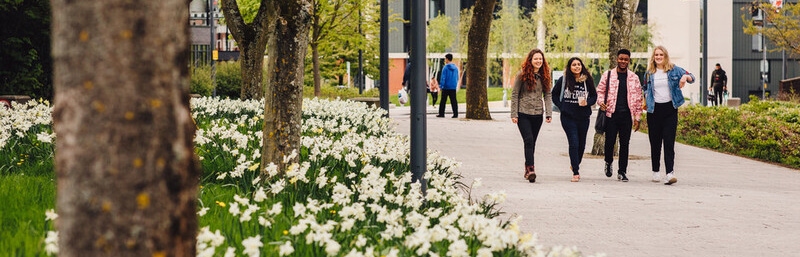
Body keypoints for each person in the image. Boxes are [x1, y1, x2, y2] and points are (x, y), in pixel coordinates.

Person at [642, 45, 695, 185]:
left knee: (669, 142)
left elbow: (692, 77)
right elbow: (645, 87)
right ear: (653, 57)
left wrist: (684, 77)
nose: (658, 57)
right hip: (654, 110)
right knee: (655, 142)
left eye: (661, 55)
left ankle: (670, 173)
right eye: (656, 55)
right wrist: (646, 94)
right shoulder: (649, 73)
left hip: (670, 110)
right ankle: (655, 171)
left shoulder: (674, 69)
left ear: (665, 56)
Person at [597, 49, 644, 182]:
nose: (623, 61)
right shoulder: (608, 75)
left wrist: (637, 117)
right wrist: (601, 102)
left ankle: (622, 171)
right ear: (617, 59)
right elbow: (599, 91)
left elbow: (639, 98)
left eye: (626, 59)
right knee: (610, 142)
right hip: (611, 114)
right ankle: (608, 162)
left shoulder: (634, 78)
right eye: (621, 59)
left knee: (625, 144)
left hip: (627, 116)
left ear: (629, 61)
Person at [511, 49, 553, 183]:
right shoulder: (522, 74)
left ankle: (527, 167)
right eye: (536, 59)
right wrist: (514, 114)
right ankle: (531, 169)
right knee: (528, 140)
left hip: (537, 114)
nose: (538, 61)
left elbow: (547, 94)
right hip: (523, 113)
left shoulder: (545, 75)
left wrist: (548, 113)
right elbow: (514, 94)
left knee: (532, 143)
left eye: (540, 59)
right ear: (530, 60)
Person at [552, 57, 597, 182]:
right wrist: (562, 106)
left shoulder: (587, 80)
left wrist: (587, 102)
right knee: (574, 142)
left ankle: (575, 163)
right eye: (574, 65)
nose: (577, 67)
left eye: (578, 64)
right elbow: (554, 94)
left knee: (581, 145)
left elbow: (594, 96)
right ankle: (576, 172)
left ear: (582, 66)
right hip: (568, 117)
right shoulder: (564, 80)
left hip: (583, 117)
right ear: (569, 67)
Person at [438, 53, 459, 118]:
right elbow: (457, 77)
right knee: (454, 101)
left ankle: (441, 114)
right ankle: (455, 114)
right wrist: (455, 84)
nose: (445, 60)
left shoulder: (445, 67)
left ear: (447, 59)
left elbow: (443, 78)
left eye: (445, 59)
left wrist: (441, 86)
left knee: (443, 101)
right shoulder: (456, 68)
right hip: (453, 87)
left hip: (446, 87)